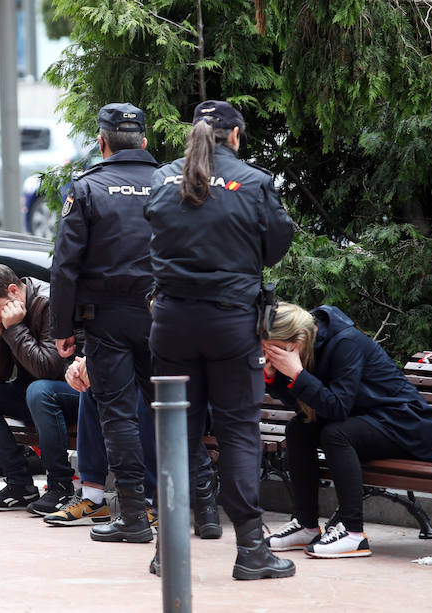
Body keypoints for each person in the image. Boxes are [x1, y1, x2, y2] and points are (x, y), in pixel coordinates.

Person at [145, 99, 295, 580]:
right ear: (234, 136)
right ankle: (251, 548)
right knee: (238, 432)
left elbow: (150, 232)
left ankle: (166, 548)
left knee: (174, 432)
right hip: (231, 323)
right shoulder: (253, 182)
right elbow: (275, 247)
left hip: (171, 321)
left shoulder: (164, 178)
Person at [51, 102, 160, 544]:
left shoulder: (88, 188)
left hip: (108, 319)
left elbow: (65, 267)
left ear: (102, 141)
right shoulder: (170, 182)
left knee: (118, 415)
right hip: (164, 315)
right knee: (165, 407)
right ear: (145, 142)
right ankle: (190, 505)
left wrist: (62, 330)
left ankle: (133, 513)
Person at [262, 303, 432, 558]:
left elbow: (337, 407)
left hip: (405, 424)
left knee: (335, 433)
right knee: (297, 429)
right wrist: (274, 378)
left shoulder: (346, 343)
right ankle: (306, 525)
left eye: (274, 350)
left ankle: (353, 533)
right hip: (367, 419)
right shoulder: (309, 348)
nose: (271, 356)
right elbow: (308, 407)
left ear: (296, 341)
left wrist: (297, 374)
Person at [0, 263, 81, 513]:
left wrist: (15, 328)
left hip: (75, 394)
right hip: (37, 397)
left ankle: (61, 486)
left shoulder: (49, 302)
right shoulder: (5, 318)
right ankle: (19, 485)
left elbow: (49, 369)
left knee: (39, 390)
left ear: (13, 291)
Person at [44, 356, 158, 526]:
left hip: (177, 378)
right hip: (125, 371)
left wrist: (99, 362)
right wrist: (76, 368)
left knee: (144, 388)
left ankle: (150, 501)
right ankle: (92, 498)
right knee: (92, 384)